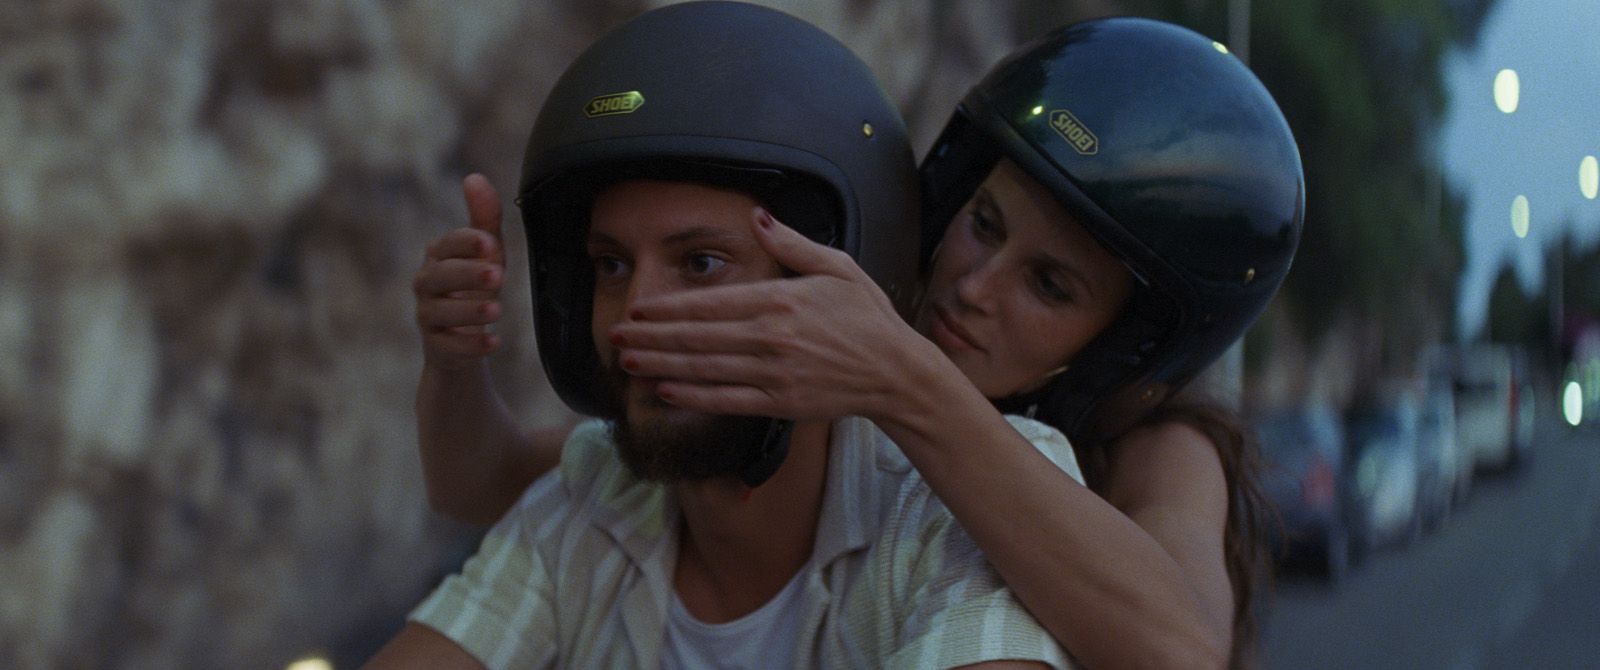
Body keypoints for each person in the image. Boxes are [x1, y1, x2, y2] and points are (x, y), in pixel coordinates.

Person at [414, 15, 1304, 670]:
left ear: (1123, 348)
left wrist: (905, 383)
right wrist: (457, 366)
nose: (974, 286)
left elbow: (1181, 650)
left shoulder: (1161, 449)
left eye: (1050, 285)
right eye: (983, 223)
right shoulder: (831, 351)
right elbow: (501, 483)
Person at [370, 3, 1076, 668]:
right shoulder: (595, 498)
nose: (635, 313)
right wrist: (454, 364)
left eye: (701, 264)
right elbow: (472, 491)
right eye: (611, 265)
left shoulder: (958, 511)